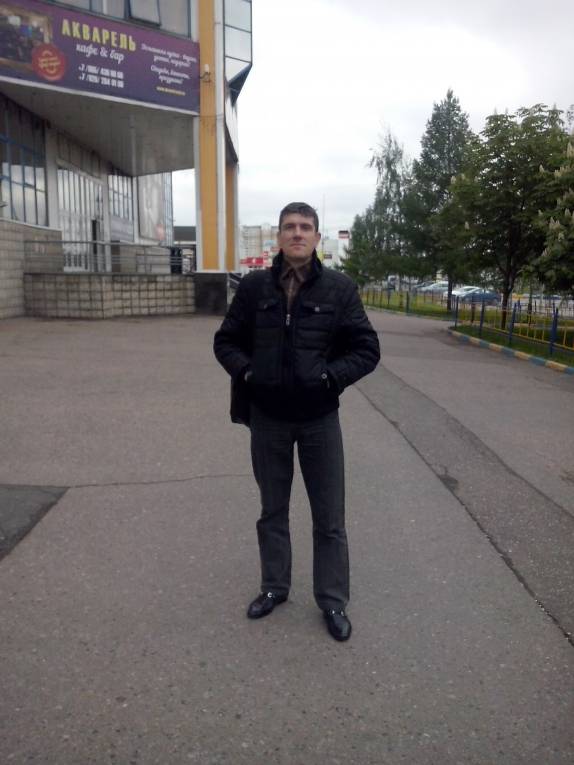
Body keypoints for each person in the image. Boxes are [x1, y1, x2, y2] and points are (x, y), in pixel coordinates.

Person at [213, 202, 380, 641]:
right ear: (279, 237)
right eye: (289, 227)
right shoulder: (254, 287)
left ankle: (333, 601)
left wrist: (329, 377)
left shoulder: (339, 289)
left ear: (317, 238)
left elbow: (367, 349)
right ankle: (274, 587)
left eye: (306, 227)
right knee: (272, 510)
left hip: (319, 421)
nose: (297, 233)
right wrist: (249, 373)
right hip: (268, 420)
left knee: (329, 517)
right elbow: (226, 341)